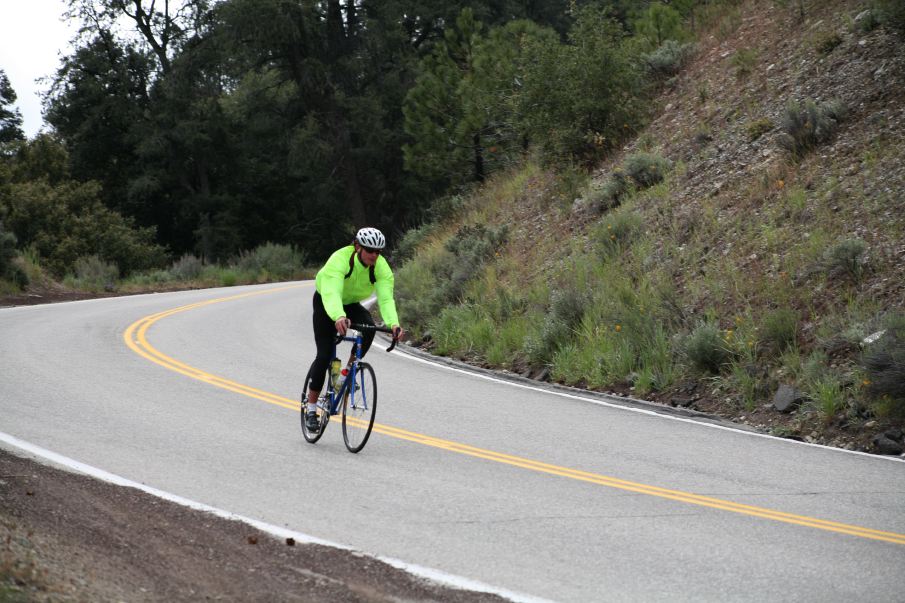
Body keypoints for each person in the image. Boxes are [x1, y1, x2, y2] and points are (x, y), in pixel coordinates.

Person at [305, 227, 404, 432]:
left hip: (350, 304)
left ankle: (345, 375)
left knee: (369, 328)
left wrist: (393, 323)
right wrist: (338, 316)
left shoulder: (381, 268)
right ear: (357, 246)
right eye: (370, 251)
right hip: (326, 302)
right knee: (324, 356)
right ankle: (311, 409)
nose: (375, 255)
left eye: (379, 252)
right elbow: (331, 292)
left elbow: (385, 299)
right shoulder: (340, 259)